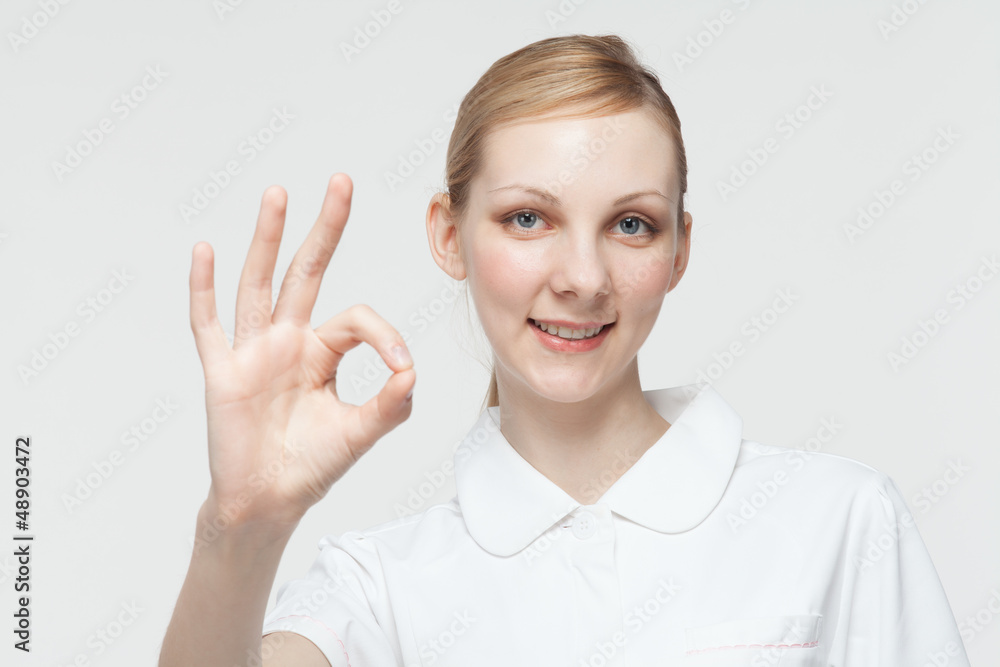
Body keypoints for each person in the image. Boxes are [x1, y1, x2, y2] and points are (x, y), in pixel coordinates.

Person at [159, 34, 970, 666]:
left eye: (630, 224)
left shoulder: (837, 520)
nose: (582, 278)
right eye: (527, 218)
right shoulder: (381, 590)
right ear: (449, 235)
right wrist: (240, 525)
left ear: (679, 250)